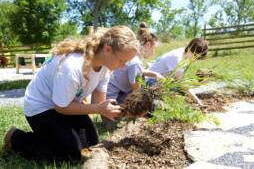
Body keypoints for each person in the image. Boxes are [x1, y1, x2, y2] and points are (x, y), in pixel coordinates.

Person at [2, 26, 139, 162]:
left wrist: (122, 111)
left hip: (67, 103)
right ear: (108, 49)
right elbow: (60, 107)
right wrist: (98, 108)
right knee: (70, 155)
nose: (123, 66)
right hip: (41, 108)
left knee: (91, 143)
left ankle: (55, 138)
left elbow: (98, 104)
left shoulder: (105, 68)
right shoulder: (72, 66)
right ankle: (16, 138)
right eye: (122, 61)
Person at [101, 22, 163, 128]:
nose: (153, 53)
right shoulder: (135, 62)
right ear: (147, 45)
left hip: (109, 98)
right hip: (113, 105)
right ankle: (136, 115)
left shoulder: (130, 58)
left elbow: (135, 72)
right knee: (150, 91)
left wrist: (153, 73)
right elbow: (136, 92)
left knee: (150, 82)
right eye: (153, 49)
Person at [148, 38, 208, 105]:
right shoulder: (177, 58)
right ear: (190, 50)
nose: (195, 60)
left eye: (198, 58)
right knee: (174, 94)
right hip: (150, 80)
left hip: (162, 79)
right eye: (196, 57)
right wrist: (196, 100)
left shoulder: (184, 53)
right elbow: (182, 84)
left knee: (176, 91)